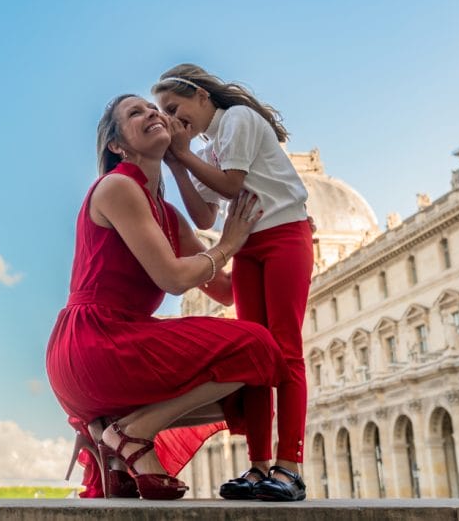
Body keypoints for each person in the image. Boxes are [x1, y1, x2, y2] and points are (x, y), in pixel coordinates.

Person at [46, 94, 289, 499]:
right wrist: (228, 243)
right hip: (95, 342)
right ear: (117, 146)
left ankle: (114, 435)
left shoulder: (170, 217)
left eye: (153, 109)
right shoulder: (118, 186)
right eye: (134, 113)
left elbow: (226, 291)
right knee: (258, 346)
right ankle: (130, 432)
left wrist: (278, 238)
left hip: (115, 343)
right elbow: (174, 278)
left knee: (253, 385)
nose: (151, 114)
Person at [152, 64, 314, 502]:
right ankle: (259, 466)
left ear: (202, 96)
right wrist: (179, 165)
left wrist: (182, 154)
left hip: (284, 235)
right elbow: (205, 217)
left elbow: (232, 183)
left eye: (173, 107)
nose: (169, 118)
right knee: (256, 356)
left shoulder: (238, 120)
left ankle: (290, 467)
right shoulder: (208, 147)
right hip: (247, 246)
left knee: (285, 350)